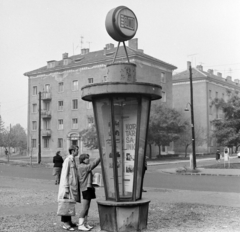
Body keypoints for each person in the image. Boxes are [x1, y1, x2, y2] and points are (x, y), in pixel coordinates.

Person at [58, 145, 80, 231]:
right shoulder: (68, 160)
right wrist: (66, 187)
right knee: (66, 204)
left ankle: (69, 221)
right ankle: (65, 223)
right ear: (73, 151)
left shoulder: (73, 160)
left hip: (72, 186)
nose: (78, 151)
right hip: (68, 186)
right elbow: (64, 174)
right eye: (77, 150)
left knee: (70, 204)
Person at [77, 153, 101, 231]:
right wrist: (100, 156)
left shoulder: (84, 166)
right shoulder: (82, 167)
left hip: (89, 188)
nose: (88, 159)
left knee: (87, 207)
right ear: (83, 159)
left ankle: (85, 223)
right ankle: (80, 225)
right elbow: (93, 164)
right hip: (86, 188)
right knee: (85, 208)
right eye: (87, 158)